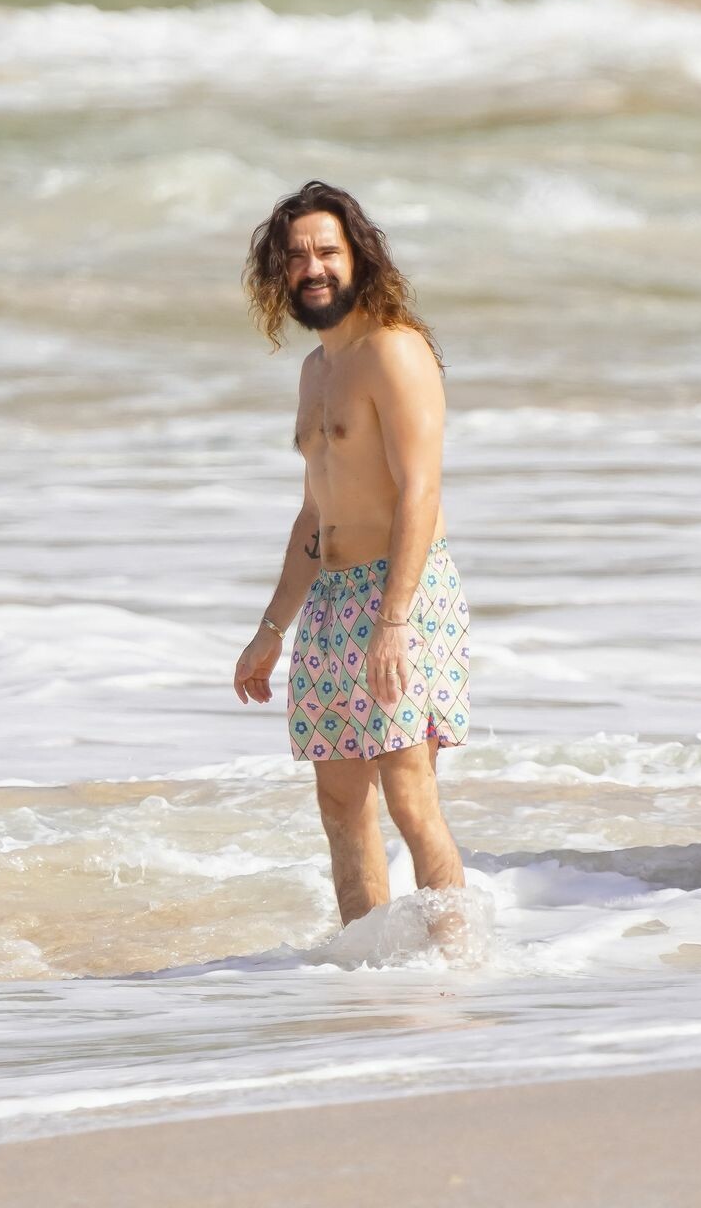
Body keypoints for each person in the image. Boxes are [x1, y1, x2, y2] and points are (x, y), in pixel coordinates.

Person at [231, 180, 472, 926]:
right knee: (339, 803)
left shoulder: (394, 351)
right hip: (333, 602)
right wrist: (271, 629)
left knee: (409, 794)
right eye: (296, 256)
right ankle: (369, 963)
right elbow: (316, 513)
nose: (313, 268)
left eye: (327, 252)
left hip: (403, 594)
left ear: (358, 258)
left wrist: (393, 620)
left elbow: (421, 491)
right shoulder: (316, 372)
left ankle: (456, 957)